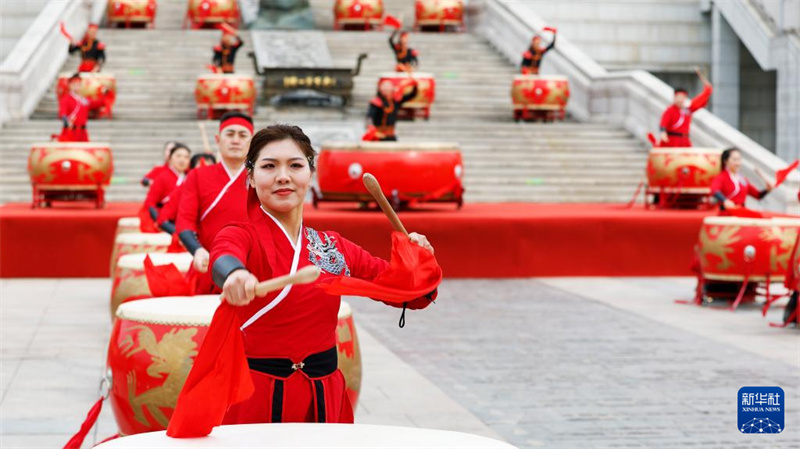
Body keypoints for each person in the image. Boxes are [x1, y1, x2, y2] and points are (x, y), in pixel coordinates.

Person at [209, 124, 437, 424]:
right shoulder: (241, 234)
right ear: (250, 177)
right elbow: (223, 255)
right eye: (269, 166)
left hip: (323, 394)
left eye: (295, 165)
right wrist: (235, 274)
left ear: (310, 174)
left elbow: (410, 293)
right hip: (255, 395)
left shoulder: (334, 246)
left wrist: (418, 262)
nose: (283, 176)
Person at [176, 112, 253, 293]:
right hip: (208, 264)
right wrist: (196, 250)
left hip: (252, 270)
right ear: (218, 139)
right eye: (230, 134)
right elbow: (185, 221)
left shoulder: (263, 177)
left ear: (252, 141)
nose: (236, 140)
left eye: (242, 135)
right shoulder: (198, 175)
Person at [158, 153, 217, 235]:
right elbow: (163, 219)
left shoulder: (222, 189)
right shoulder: (183, 189)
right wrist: (184, 235)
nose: (205, 175)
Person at [658, 68, 713, 147]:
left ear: (685, 98)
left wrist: (702, 77)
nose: (680, 100)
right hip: (672, 141)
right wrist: (662, 133)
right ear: (674, 97)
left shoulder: (689, 109)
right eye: (678, 97)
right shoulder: (670, 110)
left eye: (682, 97)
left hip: (685, 141)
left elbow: (706, 92)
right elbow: (663, 124)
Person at [142, 144, 192, 222]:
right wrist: (159, 220)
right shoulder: (162, 177)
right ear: (170, 158)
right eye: (178, 156)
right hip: (166, 217)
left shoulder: (191, 176)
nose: (182, 160)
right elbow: (150, 202)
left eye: (186, 157)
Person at [57, 74, 106, 142]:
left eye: (78, 84)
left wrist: (104, 93)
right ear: (70, 85)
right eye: (74, 84)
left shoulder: (84, 100)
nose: (76, 86)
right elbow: (63, 113)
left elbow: (99, 103)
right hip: (71, 131)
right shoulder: (66, 99)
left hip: (83, 133)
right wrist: (65, 120)